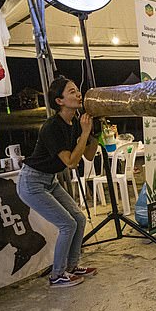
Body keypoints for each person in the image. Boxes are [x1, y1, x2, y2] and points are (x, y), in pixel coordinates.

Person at [17, 76, 99, 288]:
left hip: (50, 180)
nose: (78, 94)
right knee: (67, 223)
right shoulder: (52, 127)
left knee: (79, 219)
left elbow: (89, 155)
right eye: (72, 92)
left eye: (77, 91)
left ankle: (71, 267)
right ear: (59, 101)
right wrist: (85, 132)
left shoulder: (75, 122)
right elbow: (71, 162)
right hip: (32, 182)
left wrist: (94, 132)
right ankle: (57, 275)